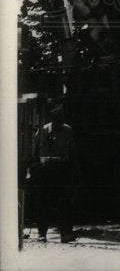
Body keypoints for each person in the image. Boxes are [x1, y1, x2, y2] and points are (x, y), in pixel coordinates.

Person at [31, 104, 78, 243]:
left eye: (61, 121)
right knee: (42, 201)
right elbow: (35, 152)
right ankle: (42, 233)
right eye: (57, 121)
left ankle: (65, 234)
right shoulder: (43, 131)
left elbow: (72, 151)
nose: (59, 124)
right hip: (46, 169)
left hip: (62, 169)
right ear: (52, 120)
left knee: (64, 201)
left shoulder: (67, 130)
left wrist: (75, 169)